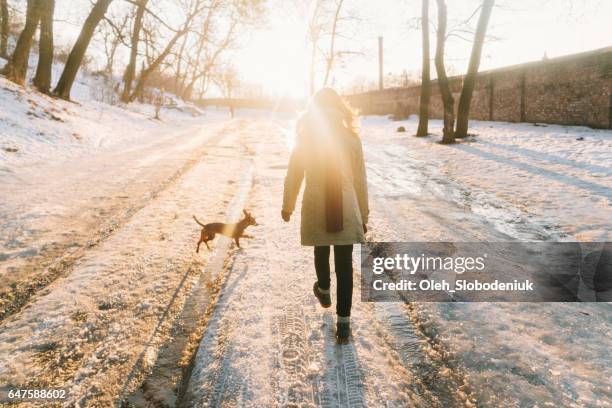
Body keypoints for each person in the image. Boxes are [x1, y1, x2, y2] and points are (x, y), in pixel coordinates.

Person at [281, 88, 369, 344]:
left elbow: (294, 174)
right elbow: (360, 180)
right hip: (346, 208)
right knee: (344, 265)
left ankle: (324, 288)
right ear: (339, 108)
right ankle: (343, 324)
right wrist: (363, 214)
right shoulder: (351, 138)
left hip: (316, 205)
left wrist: (288, 205)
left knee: (321, 249)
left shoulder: (305, 137)